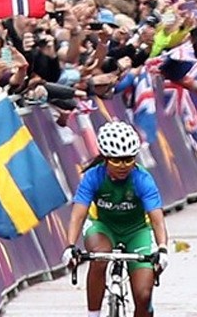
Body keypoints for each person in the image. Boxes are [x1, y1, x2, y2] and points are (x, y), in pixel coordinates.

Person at [65, 121, 171, 317]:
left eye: (129, 159)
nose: (123, 165)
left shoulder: (142, 179)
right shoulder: (92, 177)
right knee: (100, 256)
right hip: (103, 227)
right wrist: (70, 246)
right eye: (116, 160)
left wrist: (162, 248)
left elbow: (157, 219)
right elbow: (77, 215)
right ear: (105, 158)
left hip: (136, 230)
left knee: (143, 294)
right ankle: (93, 314)